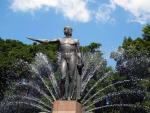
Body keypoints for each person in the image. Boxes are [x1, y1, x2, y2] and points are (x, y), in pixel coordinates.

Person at [27, 26, 83, 100]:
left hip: (72, 57)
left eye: (66, 29)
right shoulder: (60, 39)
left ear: (70, 31)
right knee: (63, 77)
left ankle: (69, 96)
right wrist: (37, 39)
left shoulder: (76, 40)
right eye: (64, 29)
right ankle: (63, 96)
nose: (64, 30)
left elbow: (78, 52)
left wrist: (80, 61)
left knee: (71, 77)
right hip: (63, 58)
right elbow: (48, 41)